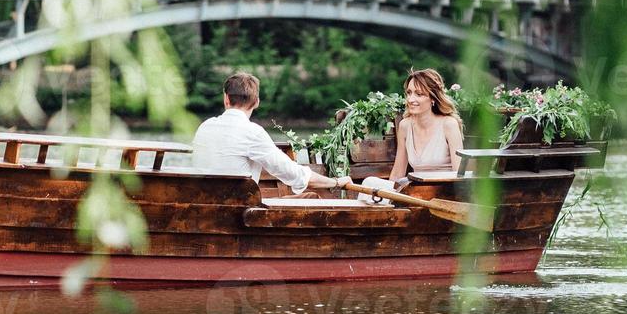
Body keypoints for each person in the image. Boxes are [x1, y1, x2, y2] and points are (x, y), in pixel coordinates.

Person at [192, 72, 338, 195]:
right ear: (256, 102)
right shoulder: (252, 132)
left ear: (226, 99)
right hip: (235, 214)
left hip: (203, 208)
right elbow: (293, 173)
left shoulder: (205, 126)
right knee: (310, 198)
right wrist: (336, 182)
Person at [359, 68, 464, 201]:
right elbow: (398, 173)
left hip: (441, 195)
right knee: (370, 183)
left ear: (433, 98)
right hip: (414, 193)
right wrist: (389, 199)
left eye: (419, 94)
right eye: (409, 93)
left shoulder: (449, 124)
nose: (411, 99)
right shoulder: (405, 126)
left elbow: (459, 175)